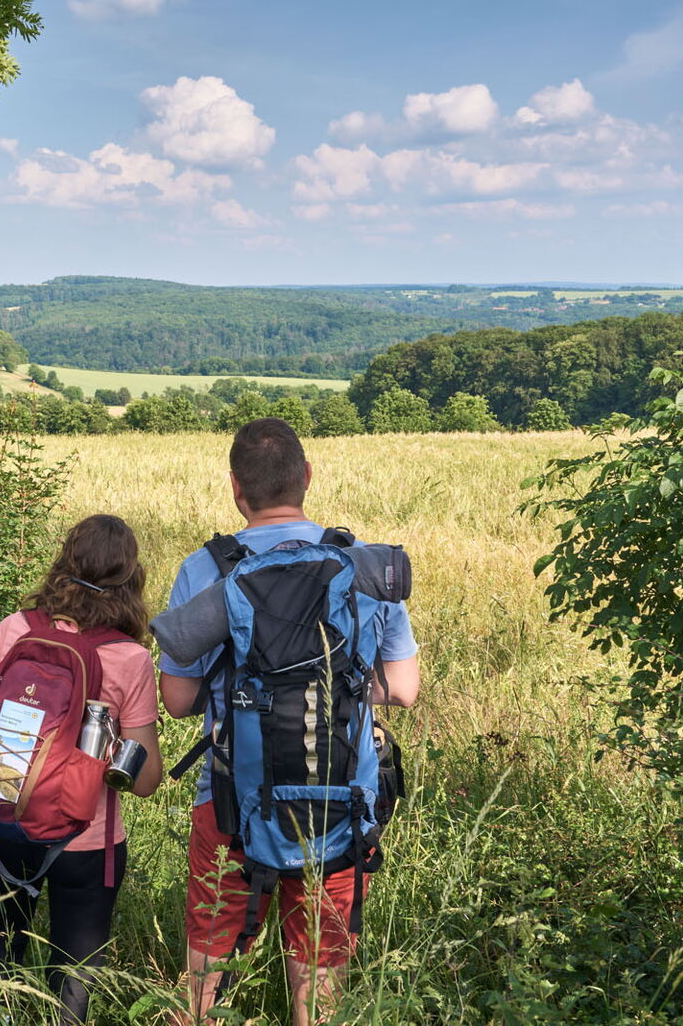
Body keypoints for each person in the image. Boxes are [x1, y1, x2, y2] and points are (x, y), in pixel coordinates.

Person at [159, 418, 420, 1026]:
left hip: (229, 800)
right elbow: (403, 690)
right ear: (306, 476)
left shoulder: (207, 569)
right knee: (320, 977)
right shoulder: (366, 569)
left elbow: (175, 700)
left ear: (234, 488)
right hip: (340, 803)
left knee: (206, 970)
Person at [0, 513, 165, 1024]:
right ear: (130, 579)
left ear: (63, 562)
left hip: (0, 824)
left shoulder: (15, 629)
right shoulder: (129, 658)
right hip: (85, 841)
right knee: (72, 977)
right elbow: (148, 781)